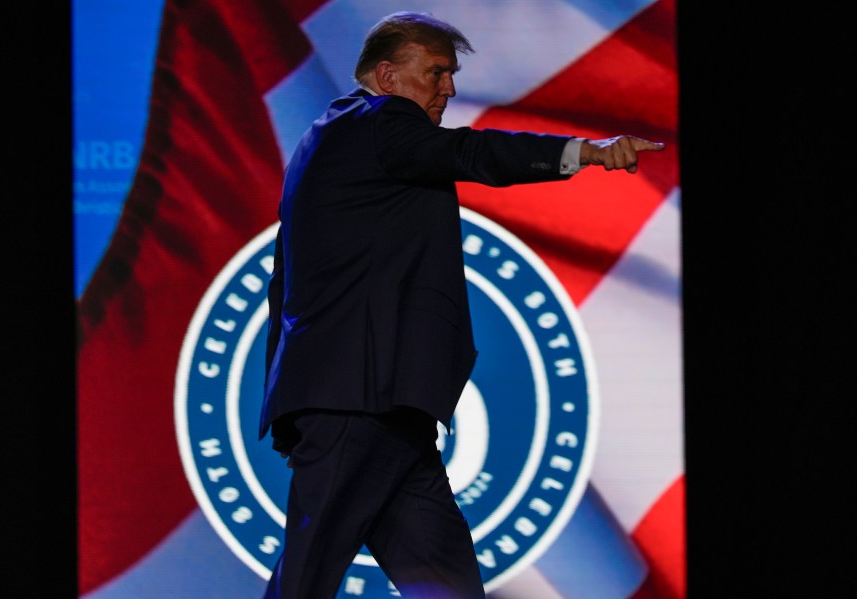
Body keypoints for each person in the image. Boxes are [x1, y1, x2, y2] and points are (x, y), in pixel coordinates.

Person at [259, 11, 664, 599]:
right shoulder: (379, 121)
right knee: (306, 578)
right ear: (388, 75)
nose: (448, 88)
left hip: (386, 410)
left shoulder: (328, 142)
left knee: (446, 587)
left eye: (450, 74)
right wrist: (586, 153)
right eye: (436, 72)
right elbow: (475, 154)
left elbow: (285, 282)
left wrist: (292, 395)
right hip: (359, 401)